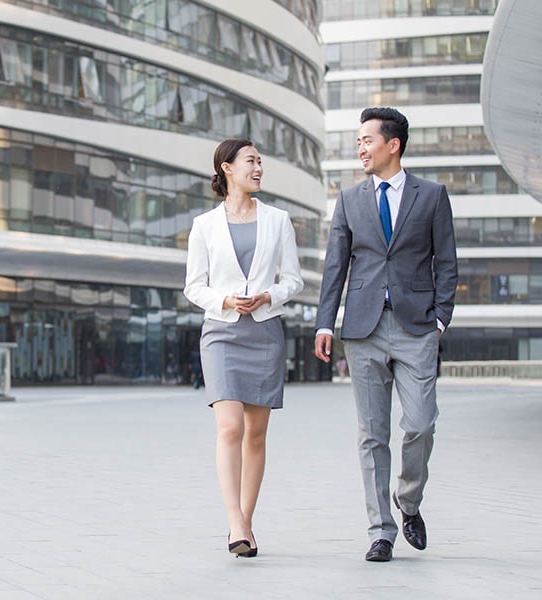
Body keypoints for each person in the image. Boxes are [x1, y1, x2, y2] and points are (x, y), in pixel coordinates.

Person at [313, 107, 458, 562]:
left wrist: (439, 320)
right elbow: (336, 265)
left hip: (417, 327)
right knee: (372, 434)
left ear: (392, 144)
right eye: (357, 142)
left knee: (420, 424)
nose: (360, 148)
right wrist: (324, 321)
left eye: (366, 140)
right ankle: (381, 530)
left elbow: (447, 263)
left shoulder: (432, 196)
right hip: (363, 328)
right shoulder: (350, 199)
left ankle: (408, 500)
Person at [184, 138, 303, 558]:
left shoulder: (278, 220)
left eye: (260, 162)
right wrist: (227, 300)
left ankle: (246, 524)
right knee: (229, 427)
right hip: (221, 332)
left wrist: (270, 296)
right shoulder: (204, 225)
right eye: (251, 161)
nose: (259, 168)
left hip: (264, 333)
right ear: (227, 168)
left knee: (256, 434)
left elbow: (293, 280)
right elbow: (194, 286)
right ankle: (234, 521)